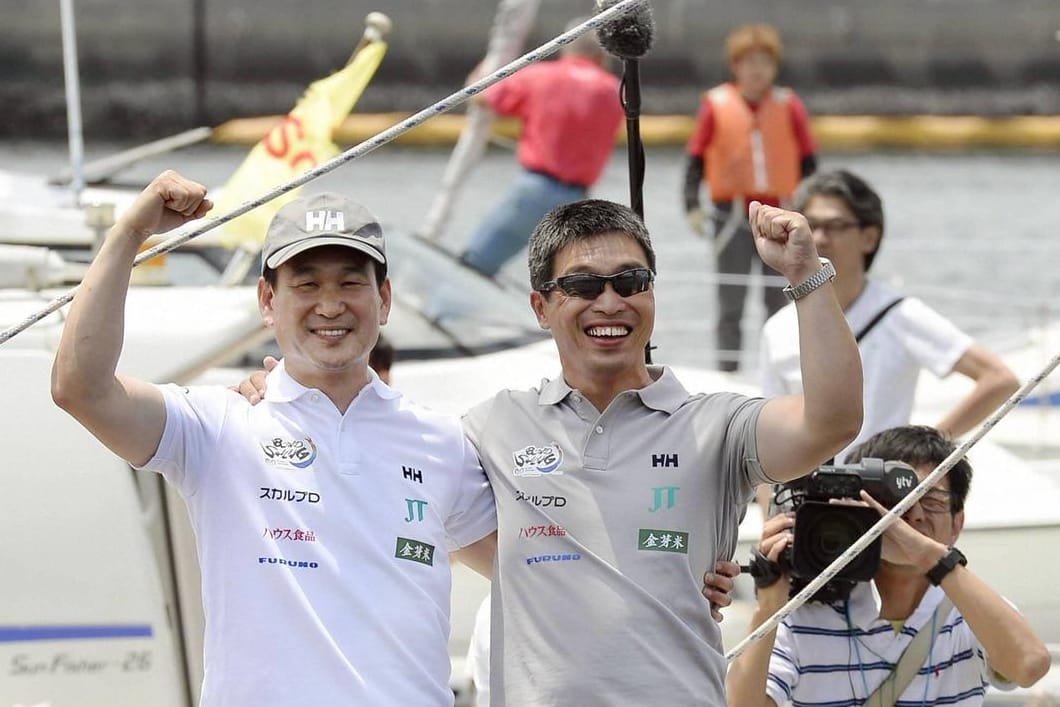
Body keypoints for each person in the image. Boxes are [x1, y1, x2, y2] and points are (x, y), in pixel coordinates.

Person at [240, 196, 863, 704]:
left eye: (631, 281)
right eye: (583, 285)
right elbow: (395, 472)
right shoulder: (488, 427)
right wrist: (285, 391)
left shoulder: (718, 423)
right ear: (541, 306)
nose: (610, 301)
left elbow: (831, 421)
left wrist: (807, 278)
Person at [51, 171, 498, 706]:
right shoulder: (216, 426)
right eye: (306, 284)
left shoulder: (444, 441)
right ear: (267, 300)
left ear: (384, 299)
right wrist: (129, 234)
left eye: (350, 283)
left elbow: (539, 570)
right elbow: (80, 389)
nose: (330, 305)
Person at [725, 425, 1052, 707]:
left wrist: (930, 556)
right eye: (897, 501)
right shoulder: (804, 613)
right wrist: (769, 606)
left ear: (957, 524)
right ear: (858, 507)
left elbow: (1030, 665)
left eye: (932, 501)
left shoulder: (973, 613)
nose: (915, 515)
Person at [759, 169, 1019, 464]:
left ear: (869, 237)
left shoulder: (900, 315)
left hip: (880, 492)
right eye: (811, 226)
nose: (819, 238)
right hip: (807, 497)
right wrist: (770, 510)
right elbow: (771, 437)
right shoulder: (777, 329)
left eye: (835, 226)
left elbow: (999, 380)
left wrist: (917, 451)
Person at [683, 23, 818, 371]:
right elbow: (695, 159)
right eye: (749, 62)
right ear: (735, 65)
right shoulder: (715, 104)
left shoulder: (789, 105)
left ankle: (780, 374)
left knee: (781, 302)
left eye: (764, 62)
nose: (757, 70)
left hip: (780, 216)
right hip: (730, 217)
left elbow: (809, 162)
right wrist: (692, 206)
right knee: (731, 301)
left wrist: (809, 209)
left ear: (774, 67)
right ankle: (727, 372)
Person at [457, 18, 624, 278]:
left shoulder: (541, 77)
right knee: (561, 278)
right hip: (578, 201)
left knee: (475, 263)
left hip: (537, 189)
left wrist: (483, 70)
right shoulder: (613, 91)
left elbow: (481, 96)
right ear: (602, 54)